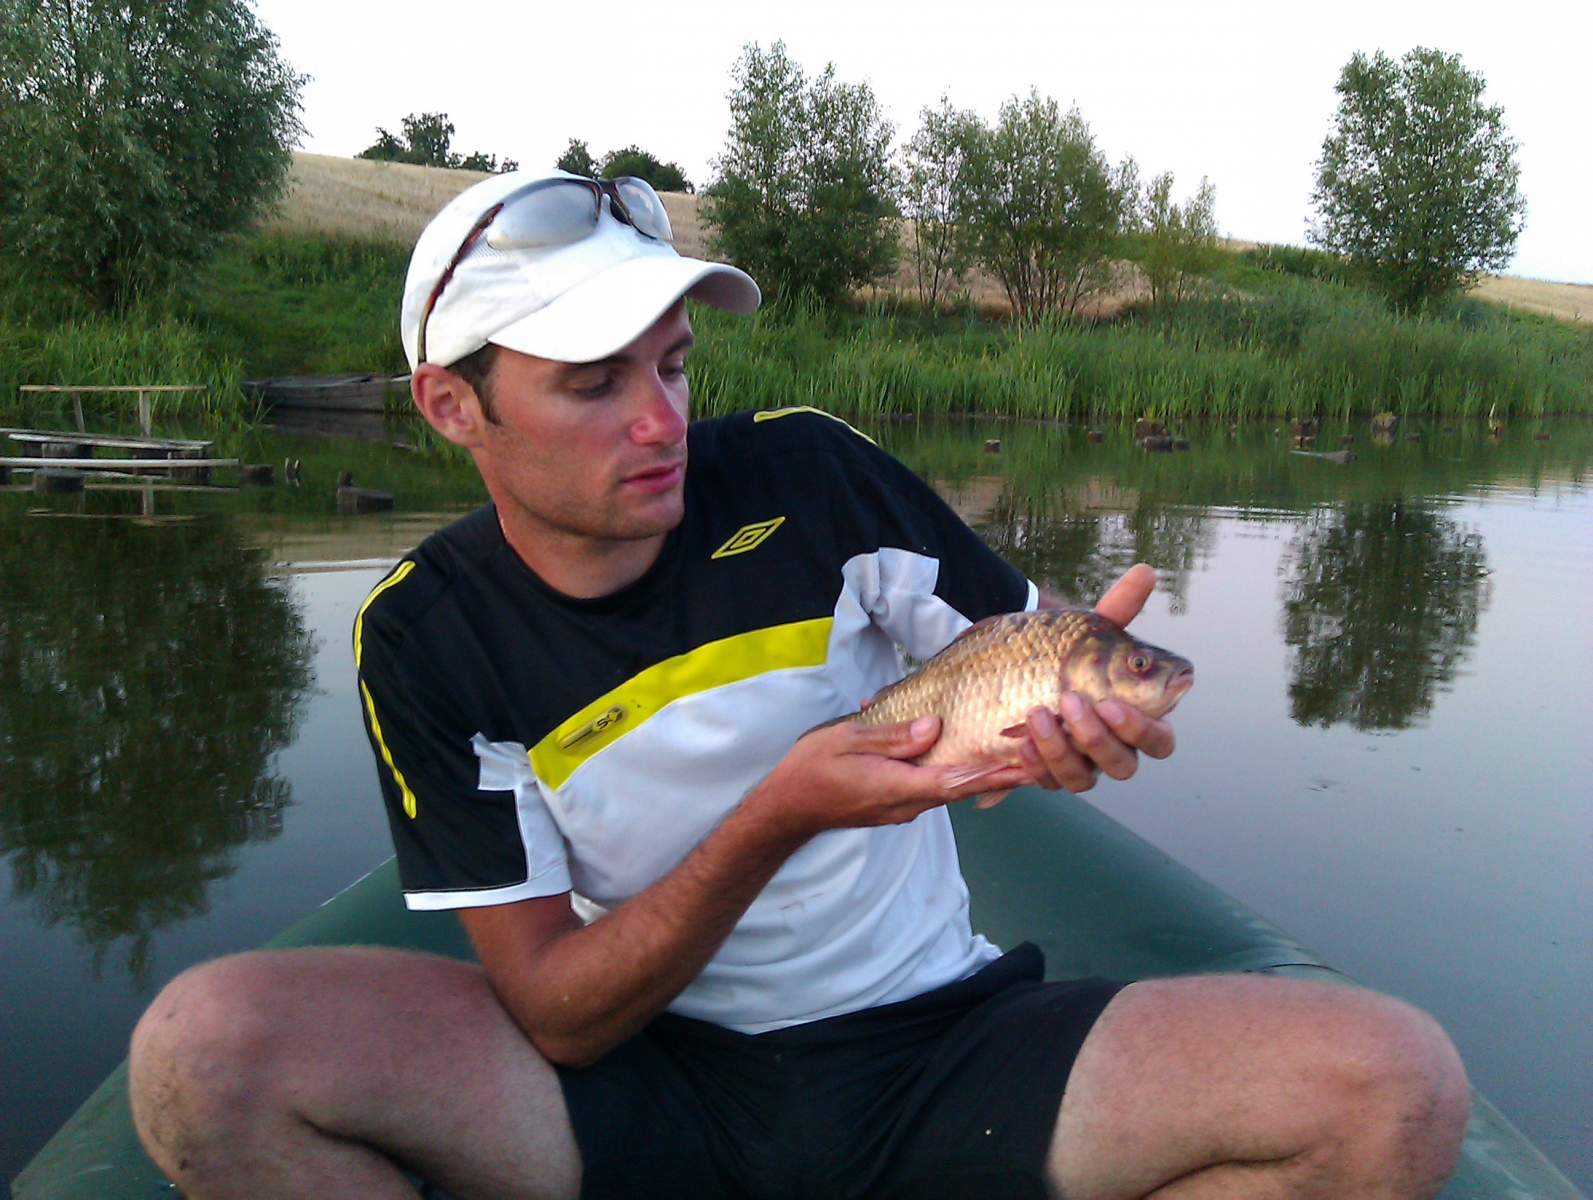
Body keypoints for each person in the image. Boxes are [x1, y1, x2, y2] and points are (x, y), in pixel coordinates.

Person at [128, 171, 1469, 1199]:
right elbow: (556, 1014)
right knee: (208, 1052)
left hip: (939, 1045)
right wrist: (779, 813)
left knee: (1391, 1087)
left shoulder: (809, 475)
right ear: (450, 408)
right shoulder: (426, 635)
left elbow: (1021, 641)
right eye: (592, 385)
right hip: (641, 1071)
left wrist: (1081, 705)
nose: (660, 422)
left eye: (672, 364)